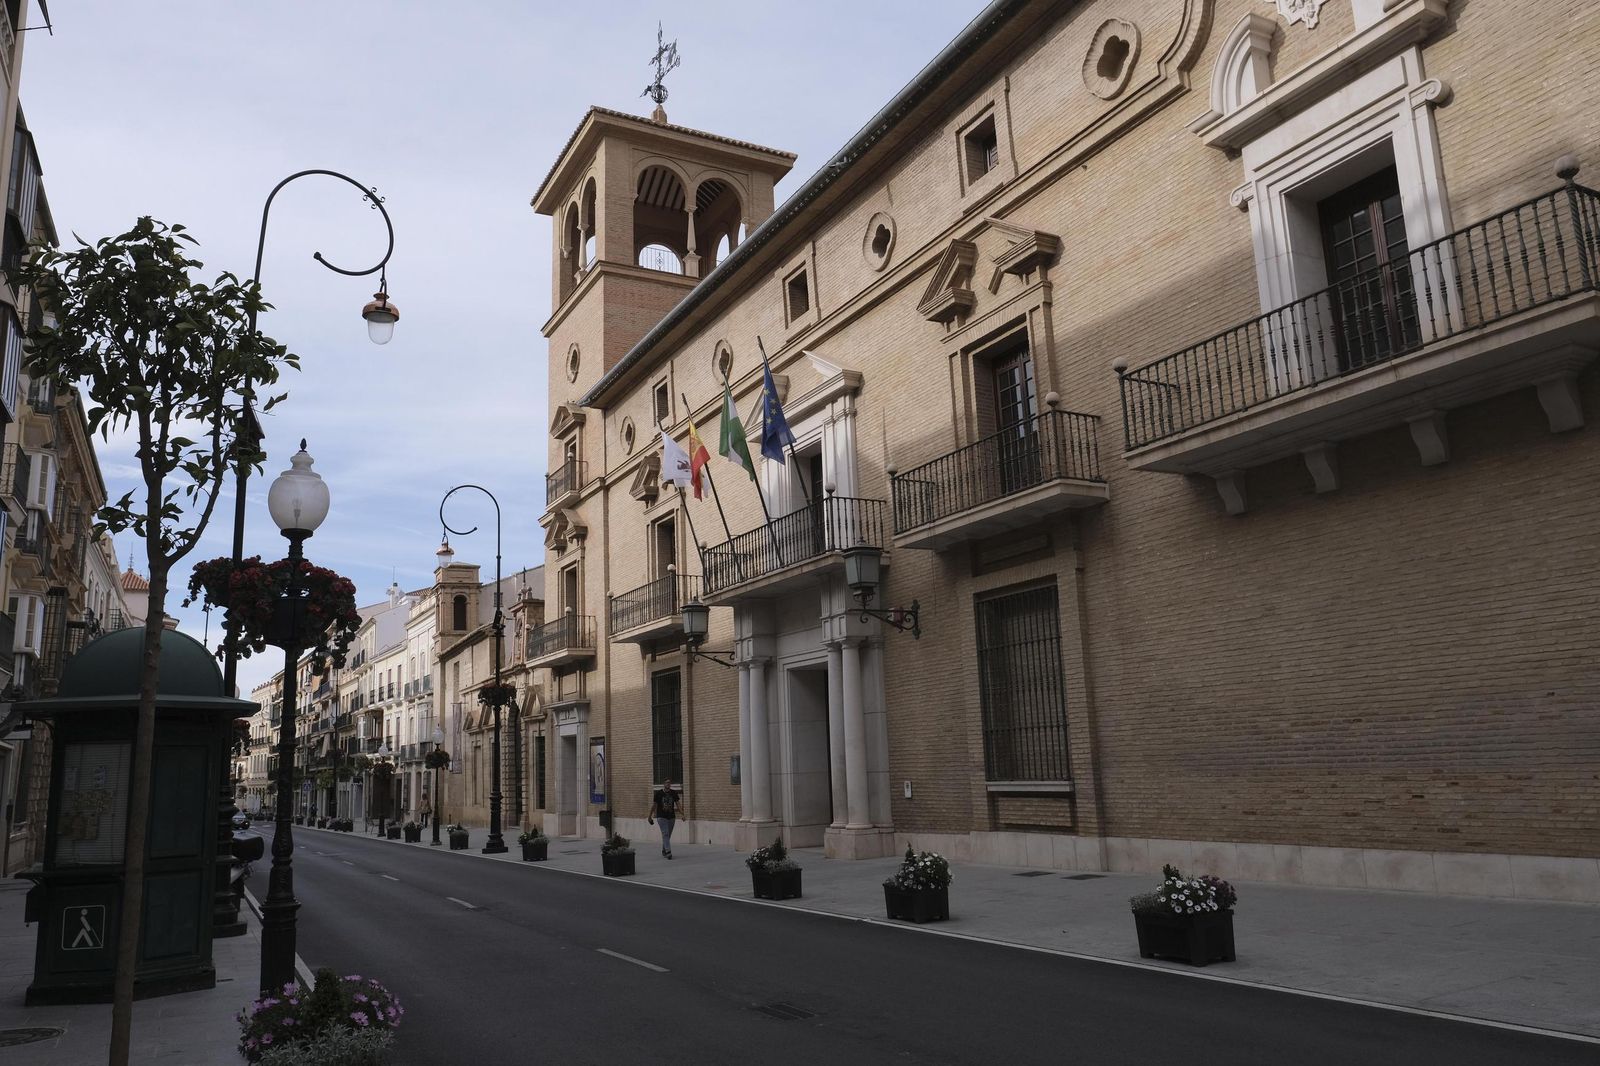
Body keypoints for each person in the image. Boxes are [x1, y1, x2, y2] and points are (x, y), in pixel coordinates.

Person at [646, 778, 685, 859]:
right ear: (663, 784)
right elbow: (654, 806)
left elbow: (678, 804)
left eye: (669, 783)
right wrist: (649, 816)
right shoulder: (658, 793)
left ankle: (664, 849)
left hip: (671, 817)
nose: (668, 784)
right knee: (665, 833)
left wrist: (683, 814)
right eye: (667, 783)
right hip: (661, 817)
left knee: (668, 835)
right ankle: (668, 852)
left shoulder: (673, 793)